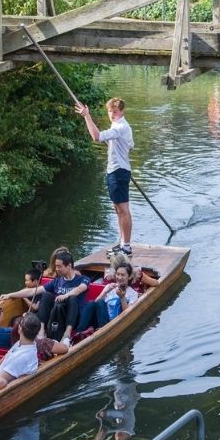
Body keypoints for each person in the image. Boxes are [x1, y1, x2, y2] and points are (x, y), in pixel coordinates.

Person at [75, 97, 135, 255]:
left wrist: (86, 116)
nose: (112, 114)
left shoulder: (121, 127)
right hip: (115, 170)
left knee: (123, 209)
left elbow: (96, 137)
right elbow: (131, 145)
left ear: (121, 111)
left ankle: (126, 246)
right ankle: (122, 242)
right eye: (110, 111)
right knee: (117, 209)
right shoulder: (118, 126)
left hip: (119, 171)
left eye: (115, 111)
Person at [35, 249, 90, 344]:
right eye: (56, 266)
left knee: (72, 298)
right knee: (46, 295)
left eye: (59, 266)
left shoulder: (84, 279)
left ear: (69, 266)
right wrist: (10, 294)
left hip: (74, 319)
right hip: (57, 315)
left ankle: (67, 334)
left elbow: (80, 289)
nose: (56, 269)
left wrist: (65, 295)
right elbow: (33, 291)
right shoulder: (57, 281)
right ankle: (41, 331)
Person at [76, 264, 139, 333]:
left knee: (100, 302)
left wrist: (122, 297)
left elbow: (128, 314)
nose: (119, 277)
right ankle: (78, 332)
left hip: (114, 323)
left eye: (123, 275)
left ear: (129, 277)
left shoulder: (133, 294)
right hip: (101, 318)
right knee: (92, 303)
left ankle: (101, 332)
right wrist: (105, 292)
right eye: (118, 274)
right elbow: (96, 304)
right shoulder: (109, 287)